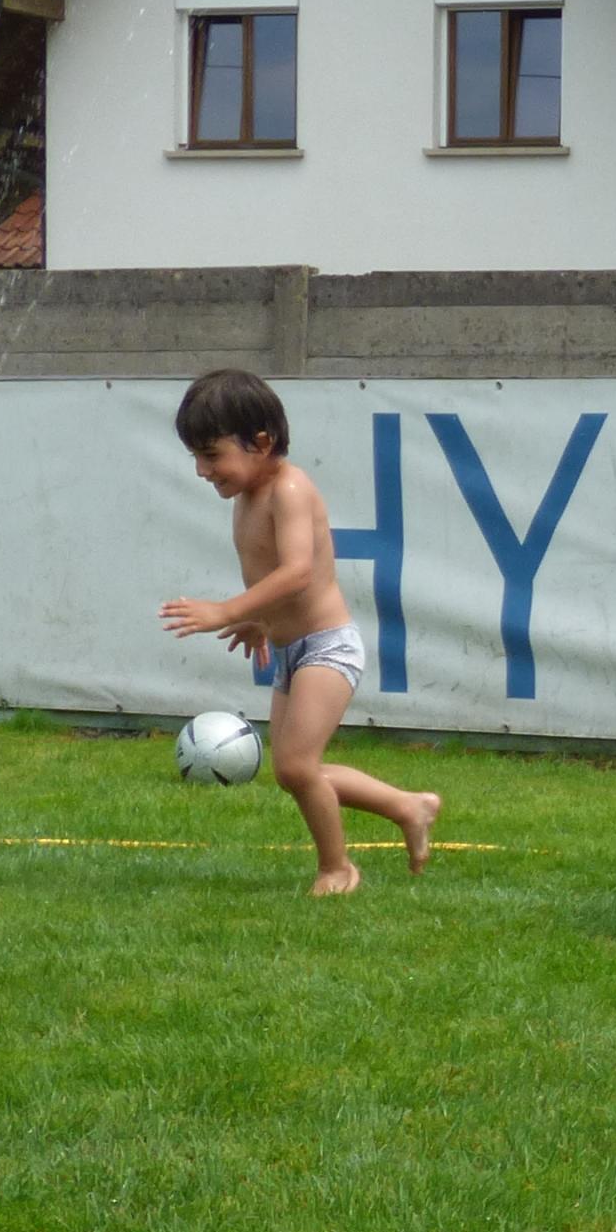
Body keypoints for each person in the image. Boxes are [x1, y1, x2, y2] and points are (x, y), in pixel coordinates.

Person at [159, 368, 443, 893]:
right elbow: (270, 577)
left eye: (212, 455)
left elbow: (297, 572)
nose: (202, 470)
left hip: (328, 648)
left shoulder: (289, 490)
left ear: (262, 442)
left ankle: (338, 868)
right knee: (292, 772)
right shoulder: (246, 497)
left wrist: (226, 610)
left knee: (296, 766)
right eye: (195, 456)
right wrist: (258, 620)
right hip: (291, 650)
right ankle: (408, 806)